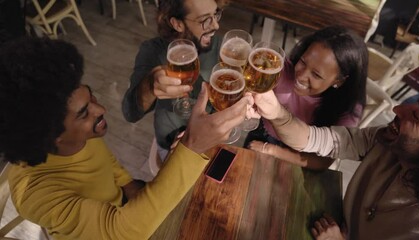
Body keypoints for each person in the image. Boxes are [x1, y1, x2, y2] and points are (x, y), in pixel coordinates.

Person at [0, 37, 252, 240]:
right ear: (50, 138)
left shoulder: (82, 136)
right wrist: (191, 146)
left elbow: (108, 165)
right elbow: (120, 232)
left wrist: (134, 188)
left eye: (92, 98)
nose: (101, 110)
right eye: (84, 113)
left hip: (123, 204)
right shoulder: (33, 193)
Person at [250, 89, 419, 239]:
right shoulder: (385, 140)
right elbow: (314, 139)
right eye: (416, 104)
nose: (398, 109)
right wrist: (277, 113)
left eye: (417, 115)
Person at [246, 26, 368, 169]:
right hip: (262, 133)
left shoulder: (347, 111)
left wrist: (270, 150)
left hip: (299, 159)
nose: (301, 76)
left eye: (316, 75)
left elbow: (321, 162)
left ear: (339, 81)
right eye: (303, 62)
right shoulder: (281, 68)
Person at [122, 0, 226, 160]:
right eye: (205, 19)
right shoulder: (152, 51)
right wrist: (149, 86)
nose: (216, 26)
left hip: (211, 139)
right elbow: (130, 113)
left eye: (215, 14)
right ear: (177, 23)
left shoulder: (220, 45)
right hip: (170, 141)